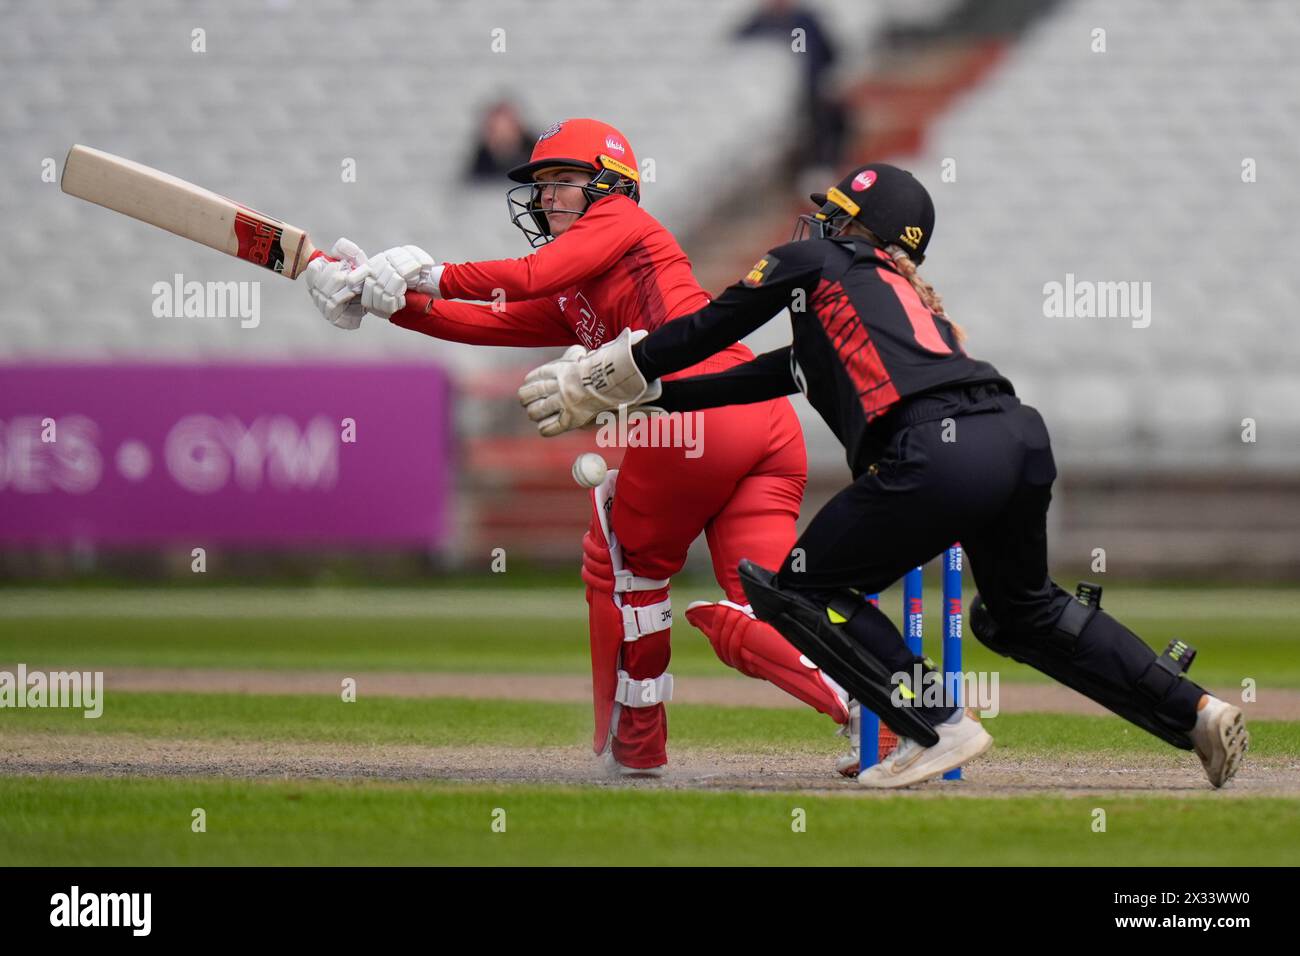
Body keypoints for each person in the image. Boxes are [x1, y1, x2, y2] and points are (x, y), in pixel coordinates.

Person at [517, 162, 1250, 789]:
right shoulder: (881, 304)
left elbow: (715, 326)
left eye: (833, 215)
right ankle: (1195, 714)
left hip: (938, 450)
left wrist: (615, 369)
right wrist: (649, 394)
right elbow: (771, 374)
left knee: (796, 586)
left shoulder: (816, 267)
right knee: (1022, 614)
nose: (817, 226)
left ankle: (936, 723)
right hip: (1017, 440)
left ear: (856, 229)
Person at [302, 118, 853, 777]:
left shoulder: (620, 220)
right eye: (541, 185)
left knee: (622, 560)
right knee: (763, 605)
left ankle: (639, 743)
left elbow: (532, 273)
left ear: (610, 186)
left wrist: (427, 271)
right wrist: (383, 299)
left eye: (564, 181)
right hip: (762, 419)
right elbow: (489, 321)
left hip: (697, 411)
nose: (546, 197)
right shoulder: (580, 287)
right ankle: (874, 712)